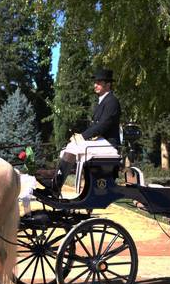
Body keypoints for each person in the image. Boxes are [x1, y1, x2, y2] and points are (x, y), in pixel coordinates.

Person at [44, 68, 121, 196]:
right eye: (95, 82)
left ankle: (56, 186)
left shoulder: (112, 101)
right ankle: (56, 182)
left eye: (99, 82)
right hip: (100, 142)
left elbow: (103, 125)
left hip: (109, 144)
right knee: (69, 146)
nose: (95, 85)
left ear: (108, 84)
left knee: (74, 145)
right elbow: (96, 126)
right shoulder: (102, 101)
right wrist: (81, 136)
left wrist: (83, 136)